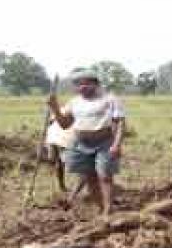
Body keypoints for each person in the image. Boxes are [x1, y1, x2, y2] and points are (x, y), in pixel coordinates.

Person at [48, 70, 127, 214]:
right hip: (81, 143)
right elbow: (65, 124)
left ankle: (108, 209)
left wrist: (117, 144)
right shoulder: (75, 102)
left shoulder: (109, 99)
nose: (82, 87)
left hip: (104, 142)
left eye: (86, 83)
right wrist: (55, 108)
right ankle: (100, 207)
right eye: (78, 84)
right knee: (89, 177)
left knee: (105, 176)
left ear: (95, 84)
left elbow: (120, 123)